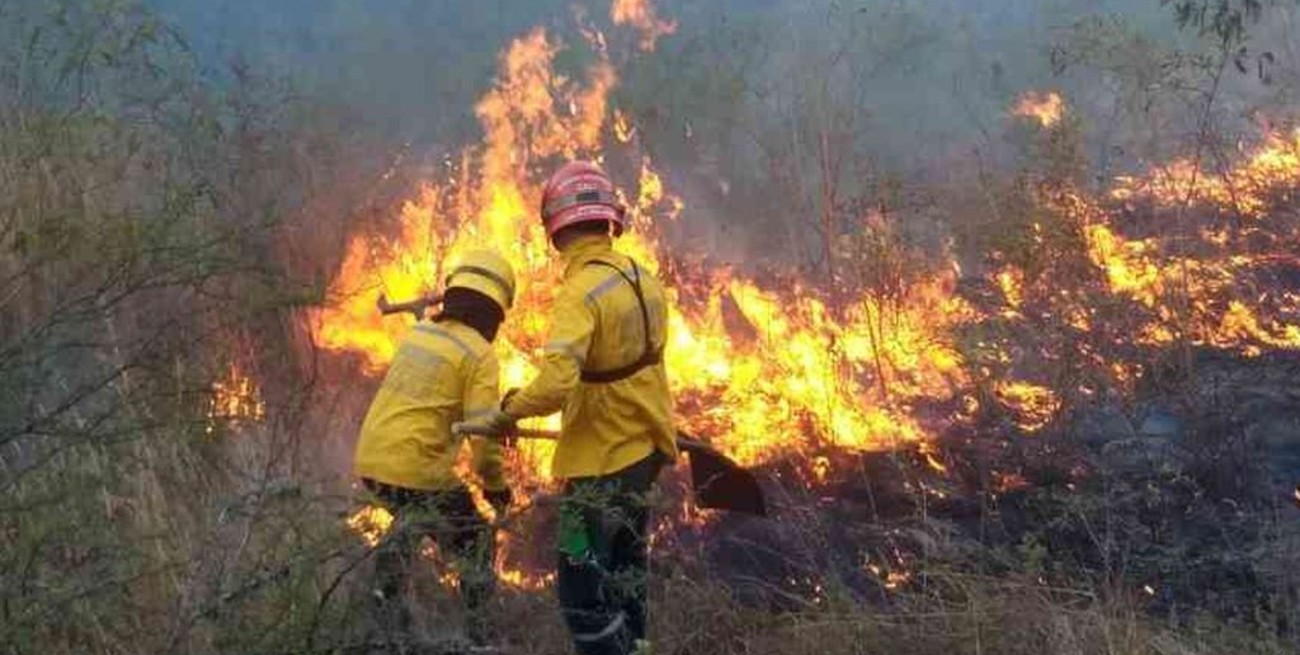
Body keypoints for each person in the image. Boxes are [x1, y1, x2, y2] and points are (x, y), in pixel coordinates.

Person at [455, 161, 677, 655]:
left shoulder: (580, 293)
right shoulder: (642, 277)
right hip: (646, 453)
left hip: (598, 467)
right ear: (609, 220)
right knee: (626, 574)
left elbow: (557, 386)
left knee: (579, 592)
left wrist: (507, 413)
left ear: (555, 230)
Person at [352, 249, 516, 647]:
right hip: (417, 471)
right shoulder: (479, 355)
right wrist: (496, 487)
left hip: (371, 460)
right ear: (494, 312)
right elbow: (482, 435)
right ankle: (480, 637)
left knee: (411, 518)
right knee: (475, 539)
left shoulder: (421, 332)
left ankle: (383, 611)